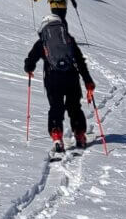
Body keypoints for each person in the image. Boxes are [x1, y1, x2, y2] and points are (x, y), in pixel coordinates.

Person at [24, 15, 95, 151]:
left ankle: (57, 137)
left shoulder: (43, 41)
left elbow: (31, 59)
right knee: (74, 106)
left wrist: (29, 69)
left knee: (56, 107)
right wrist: (88, 81)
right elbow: (80, 61)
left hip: (53, 78)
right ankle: (80, 135)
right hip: (71, 77)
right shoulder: (68, 39)